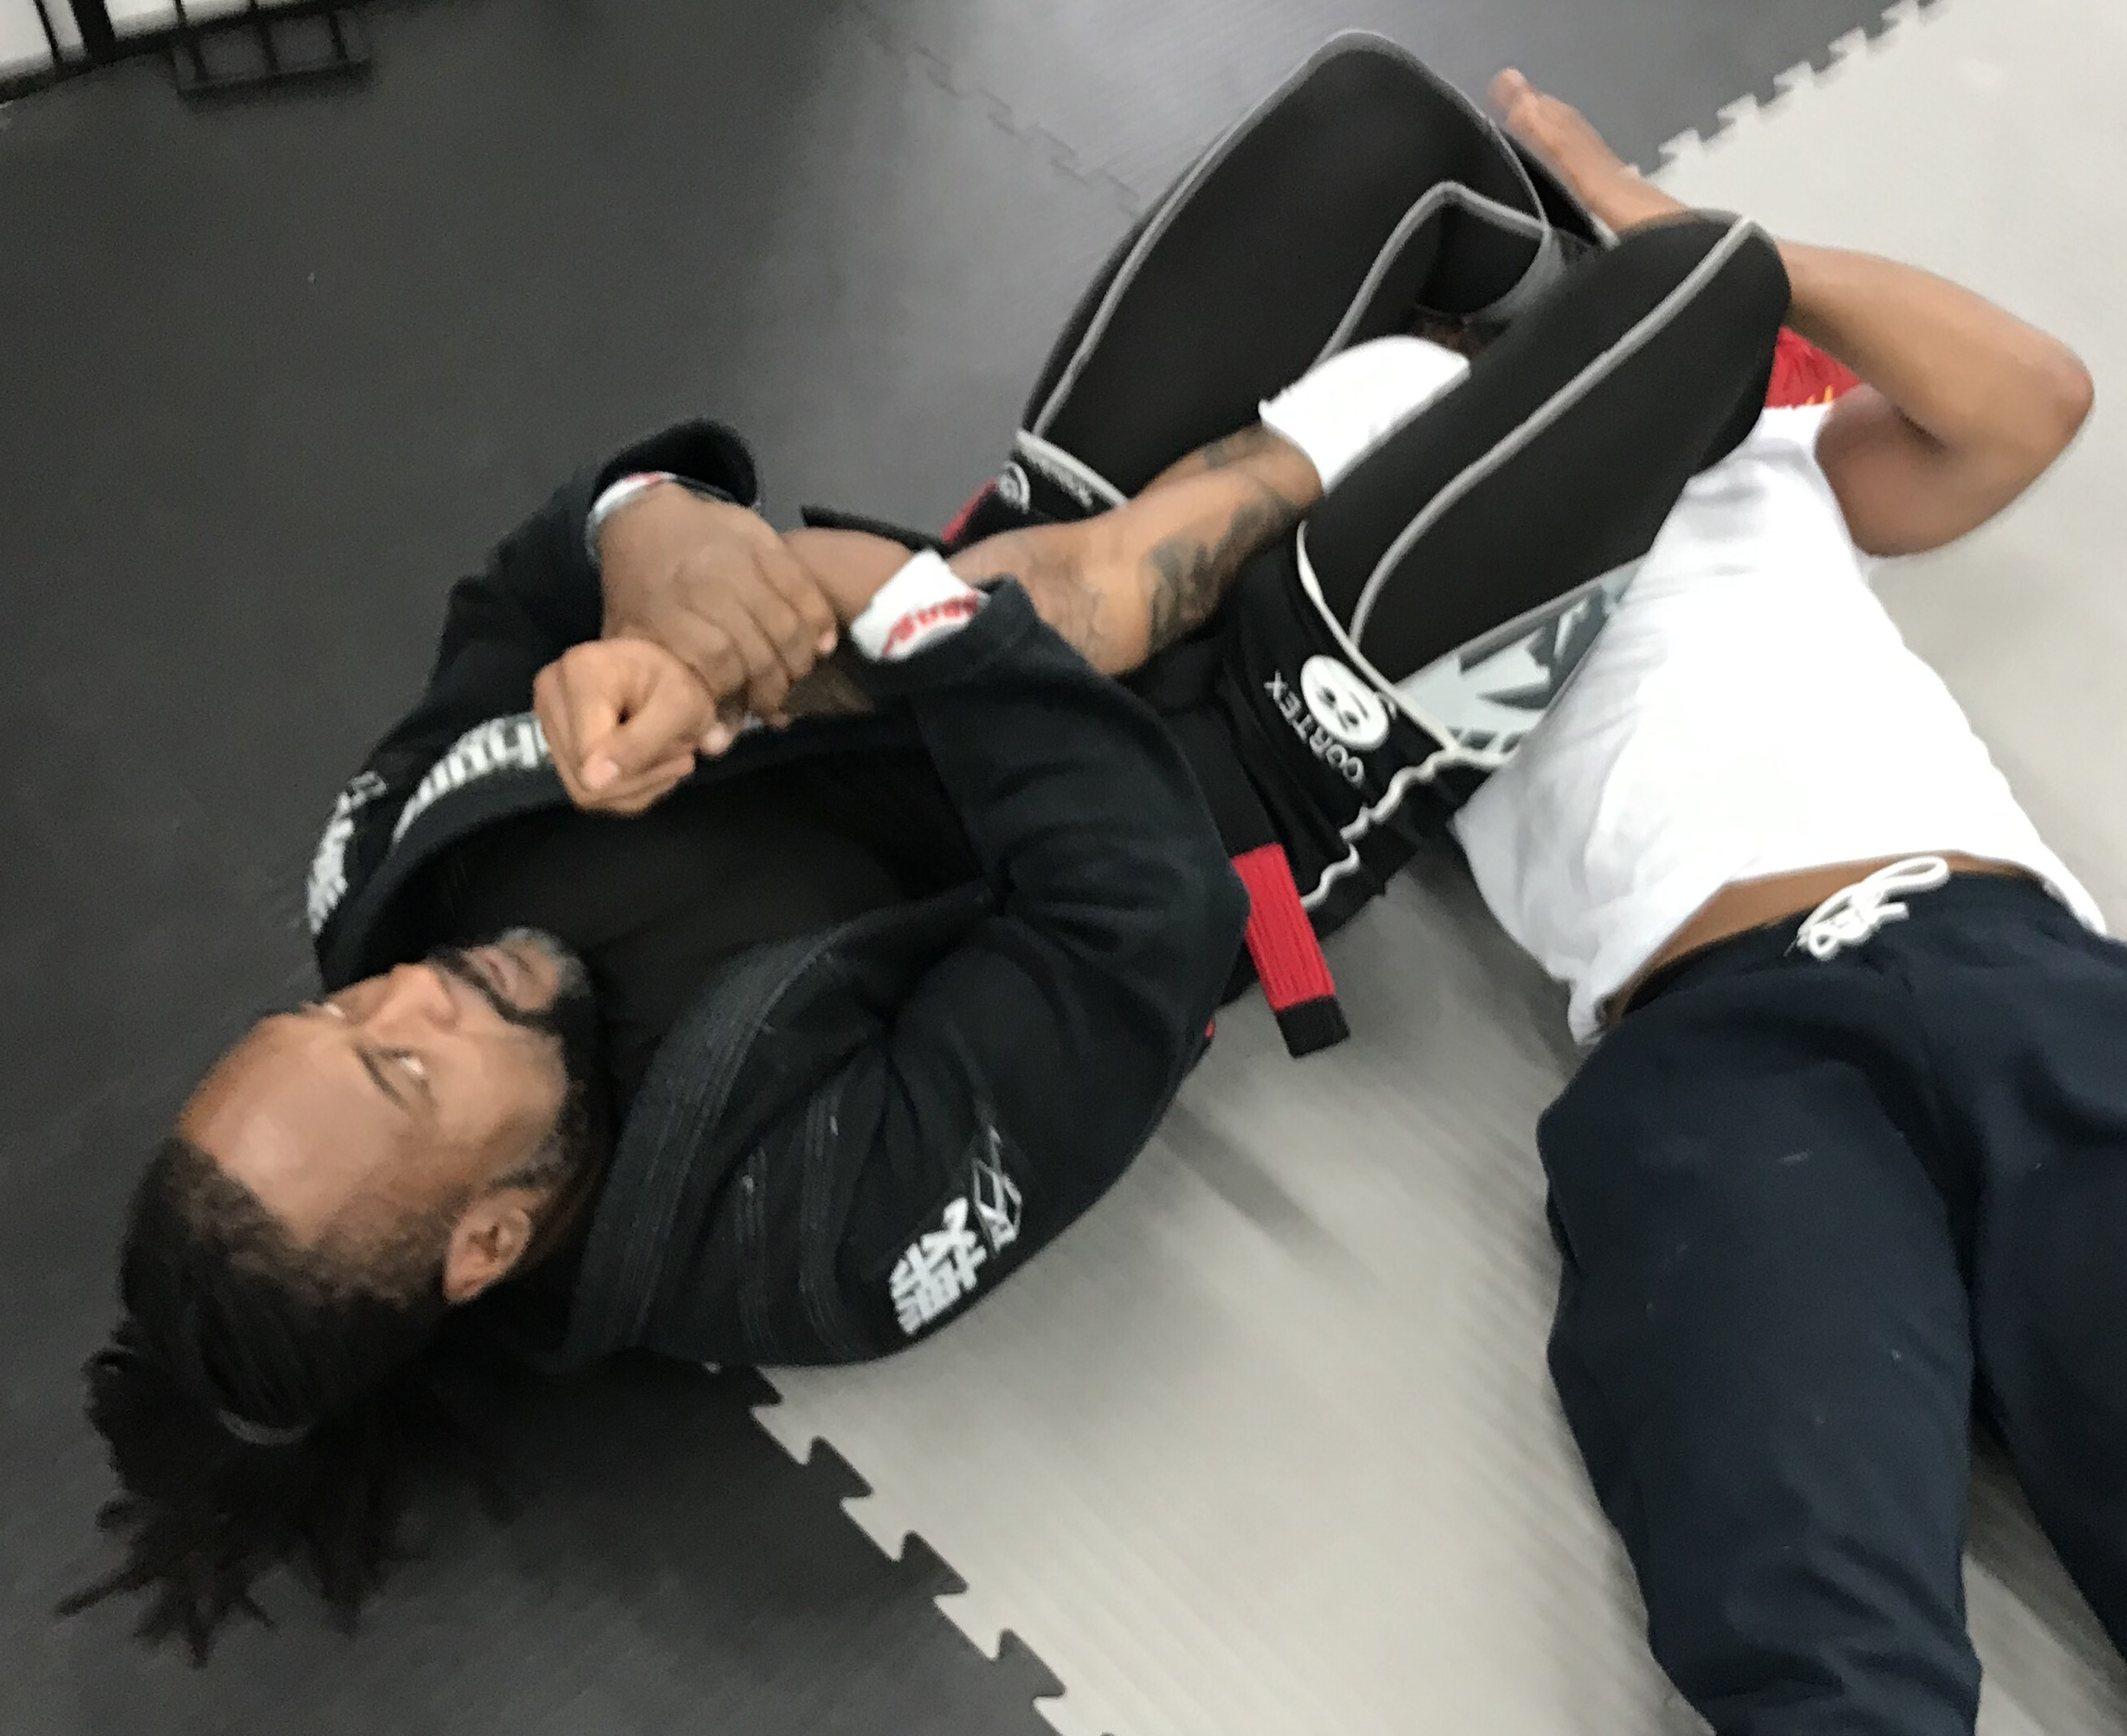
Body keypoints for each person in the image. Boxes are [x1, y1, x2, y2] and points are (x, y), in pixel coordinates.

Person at [67, 35, 1790, 1658]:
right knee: (1703, 287)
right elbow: (1133, 922)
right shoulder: (797, 1242)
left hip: (1008, 575)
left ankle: (1497, 355)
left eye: (334, 1012)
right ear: (488, 1245)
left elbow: (522, 589)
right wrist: (949, 608)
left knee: (1378, 123)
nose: (405, 994)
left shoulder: (391, 873)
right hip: (1263, 750)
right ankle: (1546, 403)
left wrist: (658, 541)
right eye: (399, 1071)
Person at [1453, 73, 2127, 1736]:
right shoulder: (1370, 518)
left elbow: (2032, 402)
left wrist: (1708, 257)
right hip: (1728, 1049)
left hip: (2049, 986)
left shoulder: (1767, 452)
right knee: (1820, 1648)